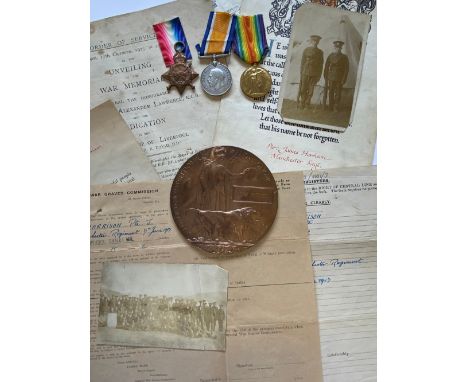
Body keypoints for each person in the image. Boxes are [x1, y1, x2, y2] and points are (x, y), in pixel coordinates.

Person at [297, 35, 324, 110]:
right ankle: (302, 102)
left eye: (316, 41)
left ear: (318, 42)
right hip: (305, 72)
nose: (315, 43)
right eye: (313, 41)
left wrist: (319, 75)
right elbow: (302, 62)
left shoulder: (320, 52)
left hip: (314, 73)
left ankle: (307, 104)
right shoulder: (306, 50)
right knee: (303, 88)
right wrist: (301, 72)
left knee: (311, 90)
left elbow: (321, 64)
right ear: (311, 41)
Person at [323, 40, 349, 112]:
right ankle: (330, 106)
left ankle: (336, 107)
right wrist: (325, 76)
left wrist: (344, 79)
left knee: (338, 92)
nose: (337, 49)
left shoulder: (344, 57)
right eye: (336, 48)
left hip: (339, 78)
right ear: (334, 48)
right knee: (331, 91)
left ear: (341, 48)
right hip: (331, 77)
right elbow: (326, 66)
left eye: (339, 48)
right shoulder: (330, 56)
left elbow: (346, 69)